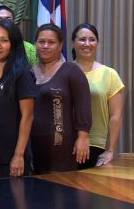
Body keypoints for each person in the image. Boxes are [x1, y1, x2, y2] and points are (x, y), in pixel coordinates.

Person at [0, 19, 36, 178]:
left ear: (13, 44)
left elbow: (28, 116)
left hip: (13, 156)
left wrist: (19, 155)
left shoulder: (22, 74)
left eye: (4, 40)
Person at [31, 23, 92, 174]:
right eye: (41, 41)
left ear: (60, 45)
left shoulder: (71, 71)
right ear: (35, 44)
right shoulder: (28, 73)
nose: (45, 46)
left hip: (61, 145)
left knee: (61, 193)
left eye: (51, 42)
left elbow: (83, 106)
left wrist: (83, 138)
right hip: (32, 145)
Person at [71, 23, 125, 168]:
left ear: (97, 43)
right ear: (73, 43)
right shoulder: (64, 72)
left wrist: (110, 150)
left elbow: (116, 116)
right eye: (82, 39)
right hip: (65, 143)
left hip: (95, 145)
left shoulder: (110, 74)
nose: (87, 44)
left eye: (92, 39)